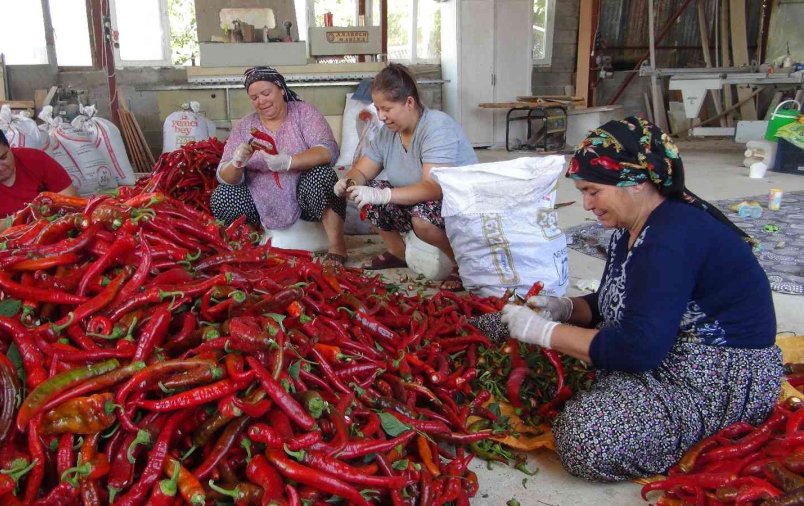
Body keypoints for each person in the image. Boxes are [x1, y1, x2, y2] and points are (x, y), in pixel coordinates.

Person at [476, 116, 782, 481]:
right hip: (664, 346)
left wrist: (542, 332)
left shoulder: (671, 239)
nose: (586, 204)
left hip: (714, 376)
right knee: (500, 332)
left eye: (593, 191)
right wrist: (566, 308)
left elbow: (639, 350)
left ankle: (677, 430)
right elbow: (615, 299)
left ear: (636, 183)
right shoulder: (630, 227)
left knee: (585, 438)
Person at [335, 64, 477, 290]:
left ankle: (463, 264)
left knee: (421, 218)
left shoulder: (436, 126)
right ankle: (398, 253)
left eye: (387, 109)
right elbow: (362, 171)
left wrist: (384, 194)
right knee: (369, 195)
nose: (381, 116)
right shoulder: (387, 133)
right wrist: (349, 182)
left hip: (457, 203)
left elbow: (433, 187)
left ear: (409, 103)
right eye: (378, 109)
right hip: (416, 197)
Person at [212, 66, 347, 266]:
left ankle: (337, 246)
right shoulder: (245, 126)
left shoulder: (304, 113)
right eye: (254, 97)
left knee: (323, 176)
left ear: (281, 89)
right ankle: (251, 245)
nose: (261, 101)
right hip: (260, 204)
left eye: (266, 93)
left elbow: (328, 151)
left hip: (304, 203)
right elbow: (224, 175)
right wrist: (237, 163)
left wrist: (291, 162)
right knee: (223, 195)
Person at [0, 108, 77, 242]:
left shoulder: (35, 159)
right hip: (6, 247)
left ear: (9, 147)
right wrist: (19, 218)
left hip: (54, 235)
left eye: (4, 157)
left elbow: (72, 201)